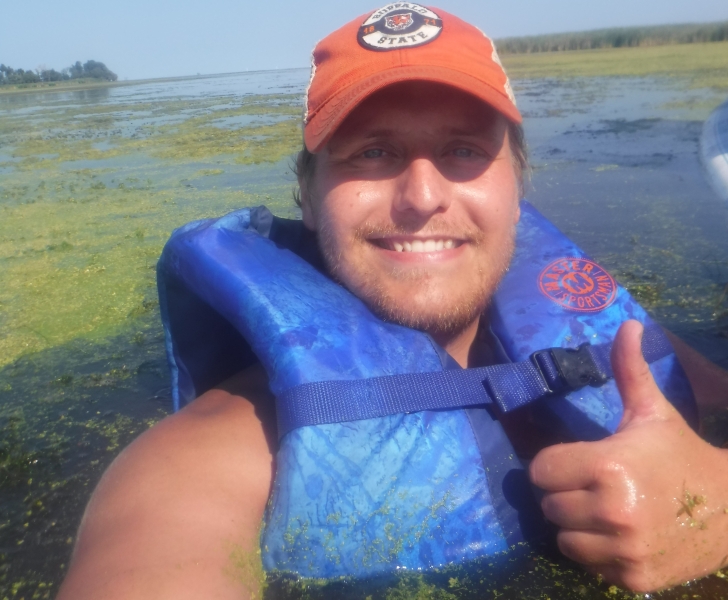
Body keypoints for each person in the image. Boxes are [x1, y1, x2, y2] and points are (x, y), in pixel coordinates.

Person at [57, 5, 728, 599]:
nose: (421, 197)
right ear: (309, 196)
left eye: (464, 150)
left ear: (517, 187)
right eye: (373, 152)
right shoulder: (202, 462)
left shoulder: (626, 356)